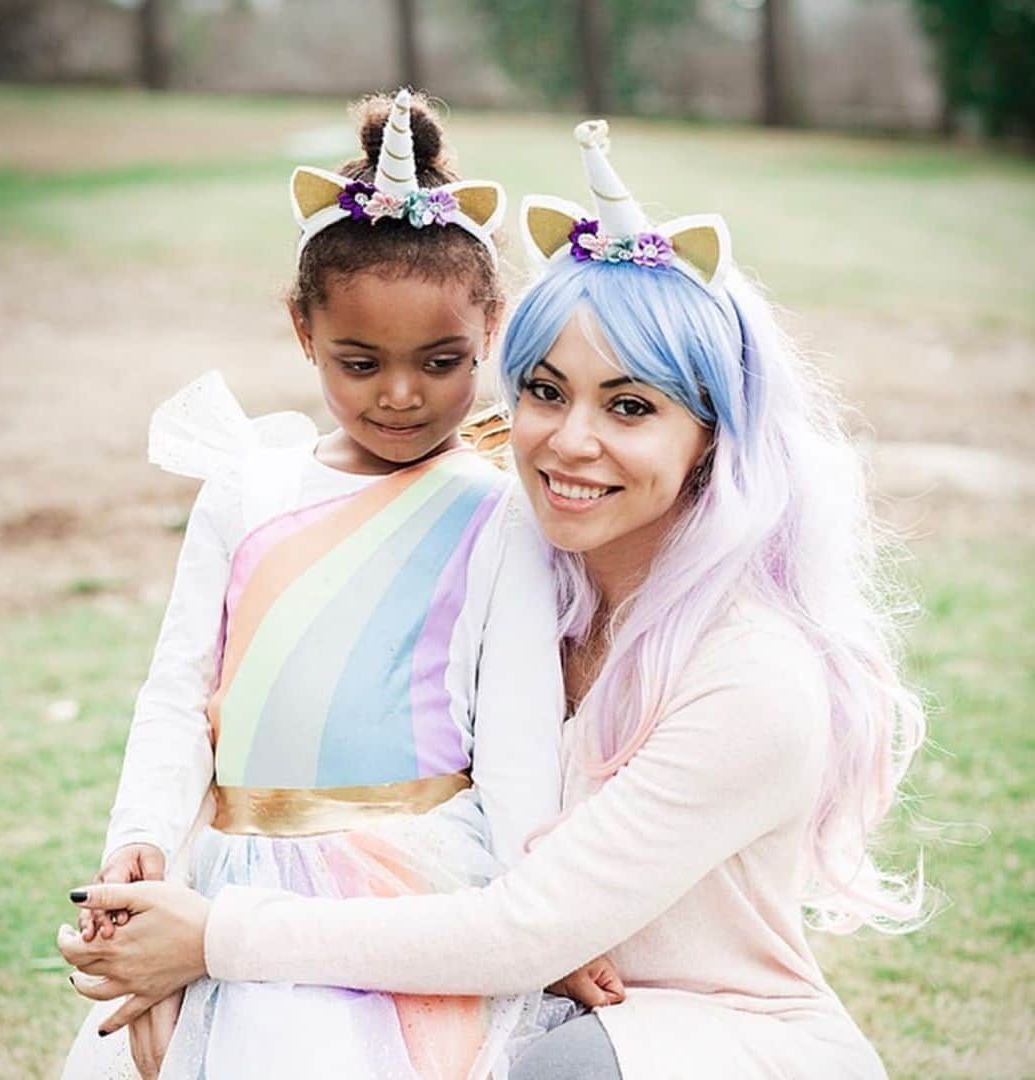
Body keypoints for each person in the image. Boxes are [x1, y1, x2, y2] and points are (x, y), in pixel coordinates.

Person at [61, 120, 928, 1080]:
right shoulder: (542, 561)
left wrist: (211, 938)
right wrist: (152, 866)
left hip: (694, 1027)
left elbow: (519, 926)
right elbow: (200, 693)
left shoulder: (752, 673)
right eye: (548, 392)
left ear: (714, 434)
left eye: (632, 406)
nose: (568, 442)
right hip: (510, 972)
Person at [59, 89, 579, 1080]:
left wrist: (543, 918)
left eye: (440, 362)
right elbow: (178, 694)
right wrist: (142, 838)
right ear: (303, 329)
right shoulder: (245, 486)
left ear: (493, 328)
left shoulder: (500, 511)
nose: (399, 393)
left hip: (409, 881)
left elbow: (517, 737)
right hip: (234, 866)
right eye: (359, 361)